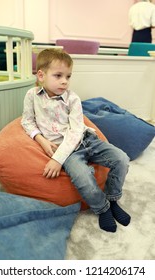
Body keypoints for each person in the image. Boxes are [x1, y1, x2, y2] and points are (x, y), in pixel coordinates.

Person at [21, 48, 131, 233]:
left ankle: (112, 199)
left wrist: (57, 159)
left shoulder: (72, 98)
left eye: (68, 76)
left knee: (122, 159)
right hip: (68, 151)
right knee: (83, 178)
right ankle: (102, 207)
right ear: (41, 75)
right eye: (58, 75)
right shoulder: (32, 96)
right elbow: (26, 121)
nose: (64, 81)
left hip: (86, 140)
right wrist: (41, 139)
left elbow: (76, 129)